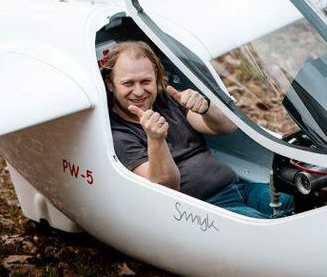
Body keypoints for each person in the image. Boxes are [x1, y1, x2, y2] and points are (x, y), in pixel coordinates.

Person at [102, 40, 292, 219]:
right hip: (205, 210)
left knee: (294, 198)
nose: (138, 91)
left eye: (145, 81)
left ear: (156, 78)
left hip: (238, 188)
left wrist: (206, 108)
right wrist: (156, 139)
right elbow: (164, 184)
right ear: (111, 84)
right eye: (128, 83)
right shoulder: (119, 134)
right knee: (267, 228)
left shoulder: (166, 101)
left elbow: (227, 126)